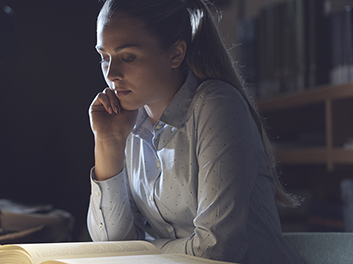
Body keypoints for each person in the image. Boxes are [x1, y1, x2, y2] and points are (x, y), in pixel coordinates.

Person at [86, 0, 303, 263]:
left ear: (176, 54)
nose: (111, 74)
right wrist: (108, 143)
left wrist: (143, 249)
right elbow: (112, 250)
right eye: (104, 57)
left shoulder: (217, 105)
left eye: (128, 57)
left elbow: (217, 250)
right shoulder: (128, 123)